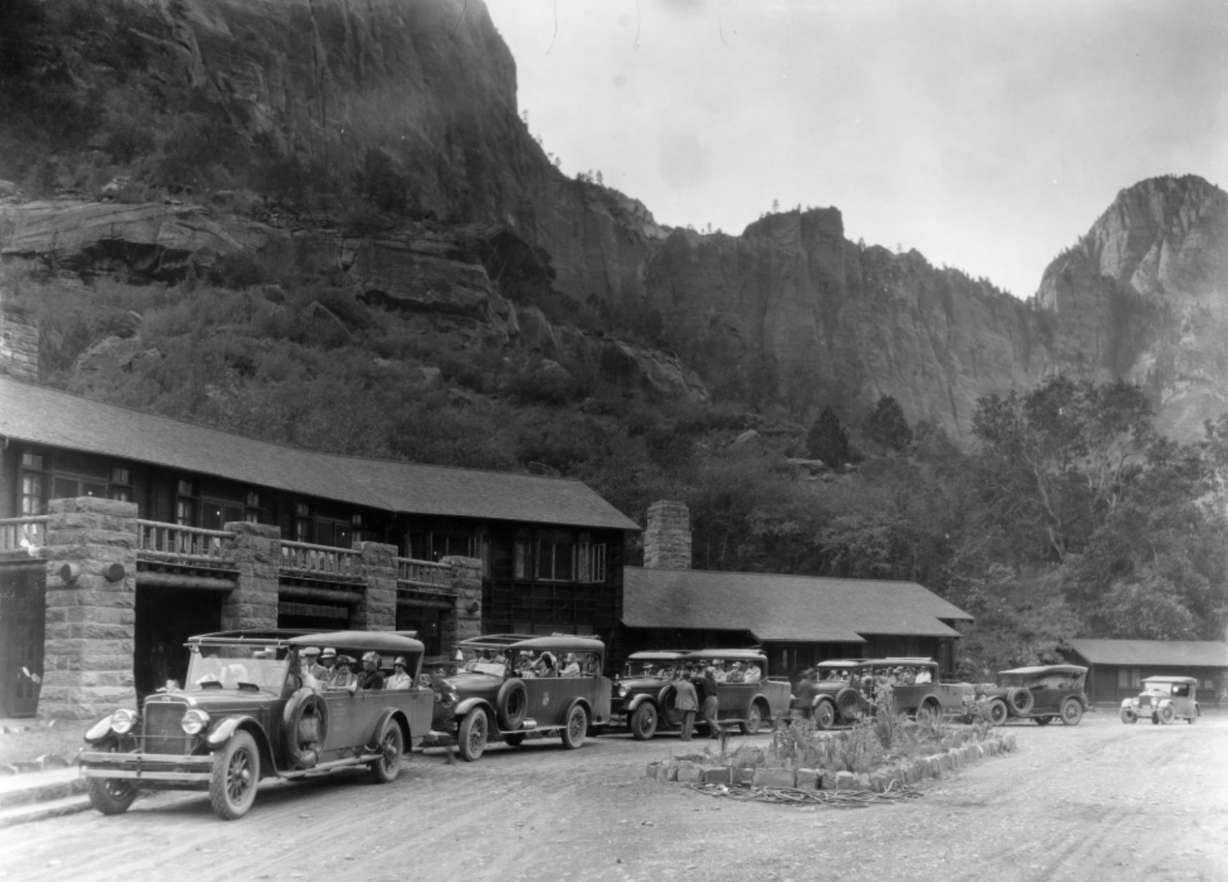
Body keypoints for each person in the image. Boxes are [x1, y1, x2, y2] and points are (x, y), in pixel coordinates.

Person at [673, 667, 699, 741]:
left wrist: (678, 677)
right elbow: (695, 697)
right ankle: (687, 737)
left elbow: (673, 682)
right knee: (689, 722)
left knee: (683, 722)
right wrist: (697, 705)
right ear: (689, 678)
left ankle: (682, 736)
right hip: (690, 705)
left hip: (681, 705)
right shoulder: (690, 685)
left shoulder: (678, 684)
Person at [698, 666, 721, 738]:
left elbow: (696, 678)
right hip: (715, 698)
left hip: (710, 698)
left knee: (707, 717)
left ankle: (718, 728)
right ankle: (714, 734)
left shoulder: (705, 680)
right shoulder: (714, 681)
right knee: (713, 717)